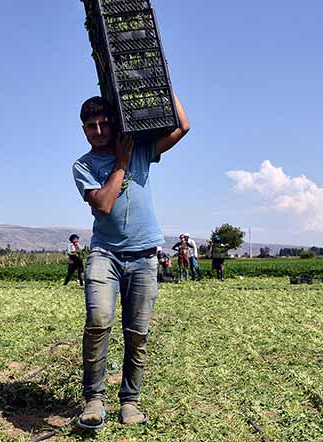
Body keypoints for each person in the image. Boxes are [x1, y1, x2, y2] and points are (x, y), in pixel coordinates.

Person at [72, 93, 190, 429]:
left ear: (113, 123)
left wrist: (167, 84)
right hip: (104, 255)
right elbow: (104, 205)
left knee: (137, 333)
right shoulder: (84, 166)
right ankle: (94, 399)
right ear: (83, 130)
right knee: (98, 322)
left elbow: (184, 126)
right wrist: (121, 164)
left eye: (104, 123)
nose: (98, 130)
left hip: (143, 256)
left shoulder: (140, 150)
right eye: (91, 126)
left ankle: (130, 401)